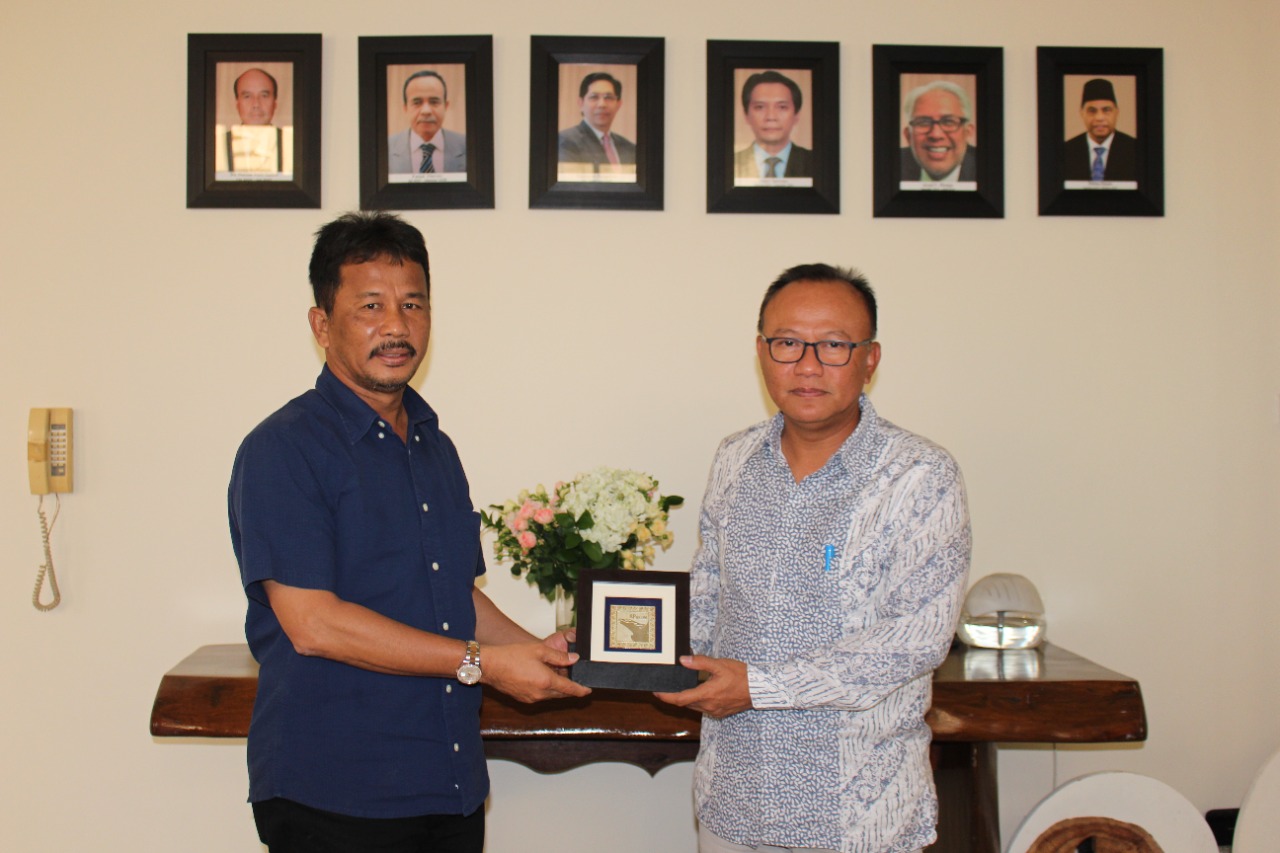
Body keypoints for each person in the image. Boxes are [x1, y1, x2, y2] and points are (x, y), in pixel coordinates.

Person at [228, 211, 589, 852]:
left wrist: (538, 653)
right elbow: (313, 624)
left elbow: (453, 594)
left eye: (413, 304)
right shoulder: (283, 448)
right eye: (370, 305)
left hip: (447, 782)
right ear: (321, 325)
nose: (396, 326)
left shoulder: (434, 446)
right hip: (334, 792)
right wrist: (485, 665)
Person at [656, 264, 971, 853]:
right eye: (788, 343)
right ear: (761, 352)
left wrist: (762, 687)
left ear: (870, 358)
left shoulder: (920, 476)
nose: (807, 365)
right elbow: (708, 594)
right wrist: (628, 648)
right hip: (733, 800)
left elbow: (913, 639)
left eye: (833, 345)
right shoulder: (734, 459)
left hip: (858, 816)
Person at [734, 71, 812, 179]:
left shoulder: (816, 162)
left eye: (782, 107)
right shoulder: (732, 162)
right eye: (760, 107)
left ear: (796, 115)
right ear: (746, 115)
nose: (771, 117)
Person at [389, 70, 467, 174]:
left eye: (434, 102)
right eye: (417, 102)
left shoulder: (467, 146)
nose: (426, 111)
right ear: (405, 108)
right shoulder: (386, 149)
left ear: (446, 106)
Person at [899, 80, 977, 183]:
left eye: (948, 122)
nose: (936, 134)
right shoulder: (890, 164)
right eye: (923, 123)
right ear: (908, 135)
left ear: (968, 132)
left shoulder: (989, 166)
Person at [218, 67, 292, 174]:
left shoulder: (291, 144)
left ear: (275, 103)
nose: (256, 104)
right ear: (237, 104)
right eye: (247, 96)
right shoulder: (218, 146)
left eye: (264, 96)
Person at [1063, 78, 1137, 182]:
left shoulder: (1136, 150)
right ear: (1082, 113)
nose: (1099, 118)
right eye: (1092, 111)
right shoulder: (1066, 151)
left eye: (1106, 110)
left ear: (1116, 112)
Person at [558, 72, 637, 168]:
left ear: (618, 104)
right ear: (581, 103)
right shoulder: (566, 142)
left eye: (608, 97)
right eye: (594, 97)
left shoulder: (630, 148)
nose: (602, 104)